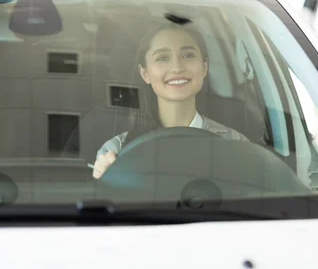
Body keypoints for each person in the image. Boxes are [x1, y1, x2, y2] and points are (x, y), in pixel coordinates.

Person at [92, 16, 247, 179]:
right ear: (145, 73)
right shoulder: (117, 151)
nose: (177, 67)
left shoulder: (235, 145)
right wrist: (103, 177)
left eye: (187, 55)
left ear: (204, 67)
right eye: (162, 58)